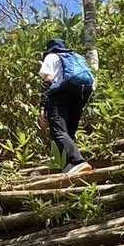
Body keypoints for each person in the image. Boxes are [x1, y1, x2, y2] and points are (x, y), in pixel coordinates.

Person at [37, 37, 95, 175]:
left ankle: (79, 162)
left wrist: (42, 108)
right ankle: (68, 166)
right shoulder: (77, 56)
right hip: (81, 94)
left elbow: (48, 80)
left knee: (58, 131)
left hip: (60, 94)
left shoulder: (52, 56)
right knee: (68, 131)